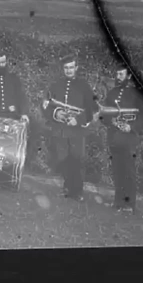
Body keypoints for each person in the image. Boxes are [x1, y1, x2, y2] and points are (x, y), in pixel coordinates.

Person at [42, 54, 99, 200]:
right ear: (63, 69)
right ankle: (67, 187)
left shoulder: (84, 86)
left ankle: (77, 191)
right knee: (63, 160)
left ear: (76, 68)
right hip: (61, 130)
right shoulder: (56, 85)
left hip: (77, 131)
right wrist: (57, 113)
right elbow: (46, 106)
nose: (68, 70)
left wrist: (78, 120)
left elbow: (92, 109)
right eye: (66, 68)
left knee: (77, 160)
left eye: (71, 67)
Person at [102, 64, 143, 213]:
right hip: (114, 137)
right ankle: (118, 202)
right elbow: (104, 114)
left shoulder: (137, 94)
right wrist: (112, 122)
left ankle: (129, 204)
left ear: (129, 76)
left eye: (122, 74)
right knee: (117, 170)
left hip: (129, 138)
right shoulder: (112, 93)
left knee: (128, 171)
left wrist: (132, 127)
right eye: (117, 74)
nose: (118, 77)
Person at [0, 52, 30, 124]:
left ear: (6, 62)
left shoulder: (14, 78)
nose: (1, 65)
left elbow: (21, 96)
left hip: (12, 116)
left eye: (3, 62)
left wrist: (23, 113)